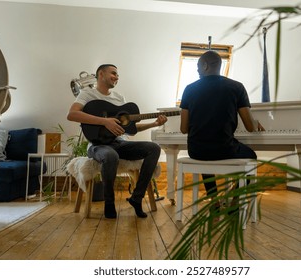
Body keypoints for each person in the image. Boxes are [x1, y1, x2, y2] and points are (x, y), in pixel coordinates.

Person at [67, 64, 167, 219]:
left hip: (119, 143)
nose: (117, 77)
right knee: (110, 155)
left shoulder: (119, 98)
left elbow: (129, 129)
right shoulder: (87, 94)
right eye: (113, 73)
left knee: (153, 148)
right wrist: (104, 121)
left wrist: (154, 124)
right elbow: (72, 114)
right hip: (97, 145)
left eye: (118, 75)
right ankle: (109, 203)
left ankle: (137, 198)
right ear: (101, 74)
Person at [179, 51, 264, 204]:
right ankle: (235, 200)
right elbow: (250, 127)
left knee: (205, 154)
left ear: (205, 66)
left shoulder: (189, 89)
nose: (197, 70)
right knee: (251, 156)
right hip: (224, 149)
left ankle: (214, 201)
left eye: (198, 66)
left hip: (196, 150)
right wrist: (256, 122)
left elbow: (184, 129)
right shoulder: (237, 87)